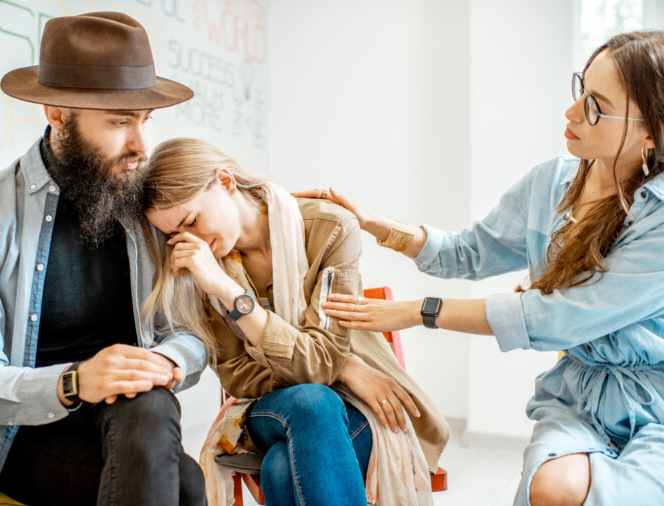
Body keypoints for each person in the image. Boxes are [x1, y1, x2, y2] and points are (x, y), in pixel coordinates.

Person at [303, 30, 664, 506]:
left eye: (595, 106)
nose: (572, 112)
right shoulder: (550, 183)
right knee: (551, 489)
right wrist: (376, 224)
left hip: (656, 403)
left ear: (649, 133)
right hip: (580, 395)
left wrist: (419, 311)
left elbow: (557, 317)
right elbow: (467, 252)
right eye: (579, 90)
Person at [0, 12, 208, 506]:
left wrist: (161, 361)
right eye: (120, 122)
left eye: (145, 121)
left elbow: (190, 335)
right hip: (14, 437)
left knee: (149, 400)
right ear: (56, 111)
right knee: (183, 484)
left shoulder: (149, 211)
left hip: (129, 422)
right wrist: (77, 380)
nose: (141, 146)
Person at [142, 137, 449, 505]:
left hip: (358, 407)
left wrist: (318, 362)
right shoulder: (202, 271)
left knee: (281, 468)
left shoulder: (329, 229)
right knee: (311, 400)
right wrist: (342, 367)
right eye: (175, 236)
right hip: (272, 410)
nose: (191, 242)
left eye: (192, 221)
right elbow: (238, 375)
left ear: (225, 182)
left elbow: (322, 359)